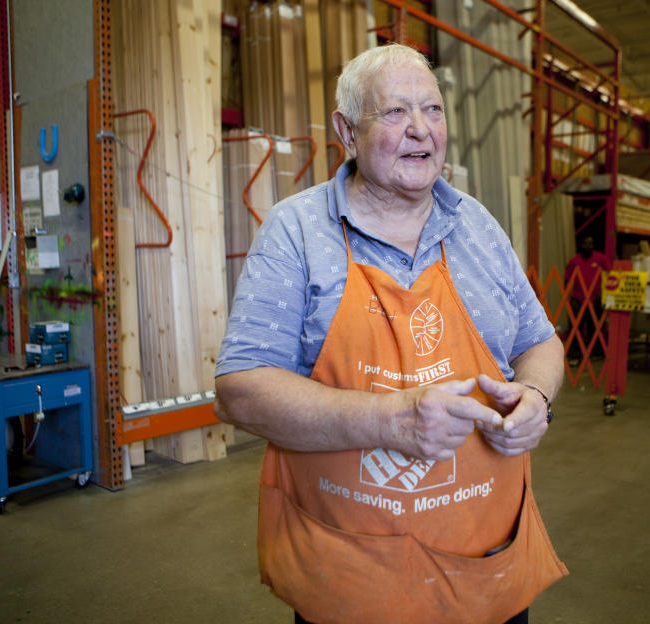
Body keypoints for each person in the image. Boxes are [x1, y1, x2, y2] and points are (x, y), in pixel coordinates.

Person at [214, 44, 567, 624]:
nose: (421, 131)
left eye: (432, 109)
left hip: (486, 572)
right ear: (346, 132)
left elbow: (540, 342)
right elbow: (241, 390)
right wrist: (392, 421)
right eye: (396, 113)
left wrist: (538, 399)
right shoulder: (298, 232)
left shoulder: (477, 226)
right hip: (351, 582)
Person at [563, 235, 611, 365]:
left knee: (595, 326)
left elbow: (610, 275)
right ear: (581, 245)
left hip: (595, 299)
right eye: (585, 243)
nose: (587, 246)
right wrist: (566, 294)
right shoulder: (575, 260)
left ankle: (595, 352)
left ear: (593, 245)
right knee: (575, 326)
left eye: (590, 243)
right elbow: (567, 278)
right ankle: (575, 353)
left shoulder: (601, 259)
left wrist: (605, 294)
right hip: (578, 298)